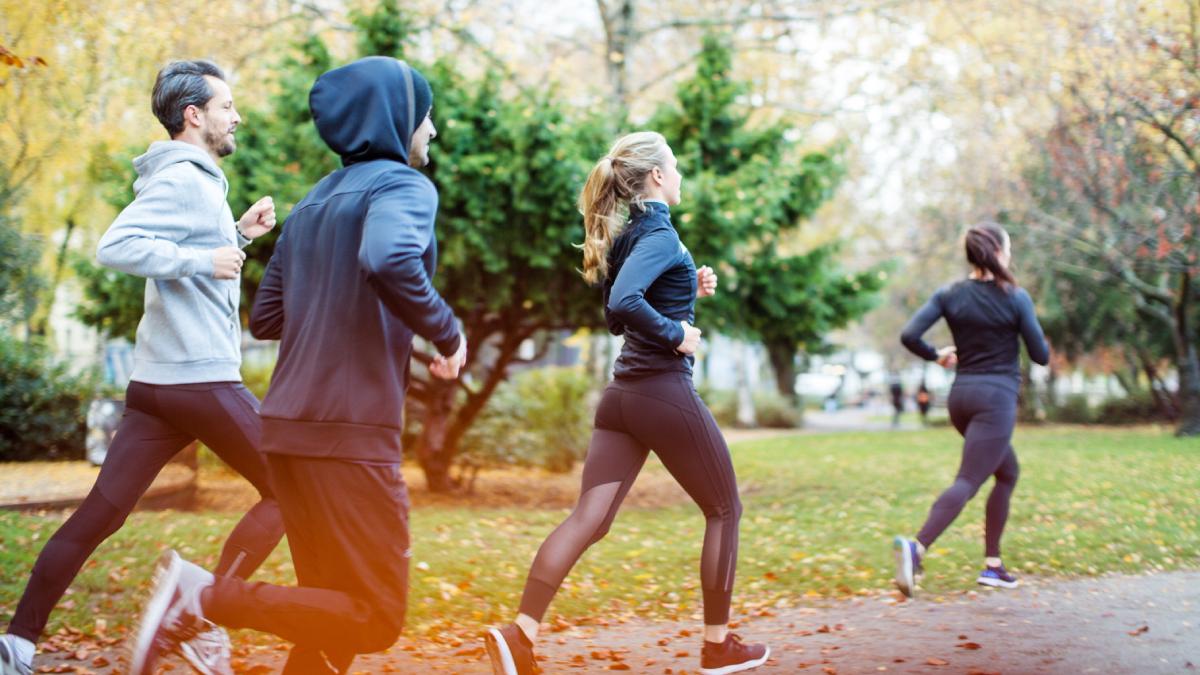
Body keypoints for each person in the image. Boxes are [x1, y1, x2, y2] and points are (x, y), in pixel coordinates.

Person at [126, 56, 466, 675]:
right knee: (376, 616)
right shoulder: (404, 186)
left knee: (330, 616)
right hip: (350, 434)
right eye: (427, 116)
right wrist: (446, 333)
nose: (432, 131)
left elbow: (269, 318)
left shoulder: (311, 204)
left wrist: (362, 319)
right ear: (396, 118)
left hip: (286, 430)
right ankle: (200, 595)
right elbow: (391, 259)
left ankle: (203, 598)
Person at [0, 60, 283, 675]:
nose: (236, 116)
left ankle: (16, 645)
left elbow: (191, 259)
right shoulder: (184, 178)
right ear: (195, 115)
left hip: (160, 383)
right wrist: (204, 259)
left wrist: (236, 236)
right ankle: (200, 613)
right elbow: (115, 247)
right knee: (294, 487)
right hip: (200, 379)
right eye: (226, 105)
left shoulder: (200, 182)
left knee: (102, 511)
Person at [484, 132, 769, 675]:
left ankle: (519, 635)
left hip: (622, 399)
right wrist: (678, 333)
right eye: (676, 166)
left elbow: (619, 314)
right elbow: (624, 303)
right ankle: (717, 647)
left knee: (590, 519)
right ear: (657, 177)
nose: (681, 174)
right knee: (725, 509)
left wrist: (689, 289)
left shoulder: (633, 234)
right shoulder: (658, 232)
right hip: (660, 392)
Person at [893, 221, 1049, 597]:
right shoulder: (1015, 297)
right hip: (995, 401)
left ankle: (993, 565)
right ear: (998, 252)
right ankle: (917, 548)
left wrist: (937, 356)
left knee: (1007, 472)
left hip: (961, 399)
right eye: (1007, 249)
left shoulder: (949, 294)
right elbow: (1041, 355)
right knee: (968, 480)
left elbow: (909, 336)